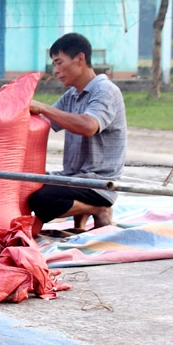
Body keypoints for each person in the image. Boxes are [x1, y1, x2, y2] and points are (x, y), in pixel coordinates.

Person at [26, 32, 127, 232]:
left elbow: (88, 126)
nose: (55, 71)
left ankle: (98, 209)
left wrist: (44, 107)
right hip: (74, 176)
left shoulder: (106, 91)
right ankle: (79, 226)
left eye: (58, 63)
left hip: (98, 182)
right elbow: (44, 123)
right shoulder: (72, 95)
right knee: (25, 184)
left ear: (80, 59)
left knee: (42, 199)